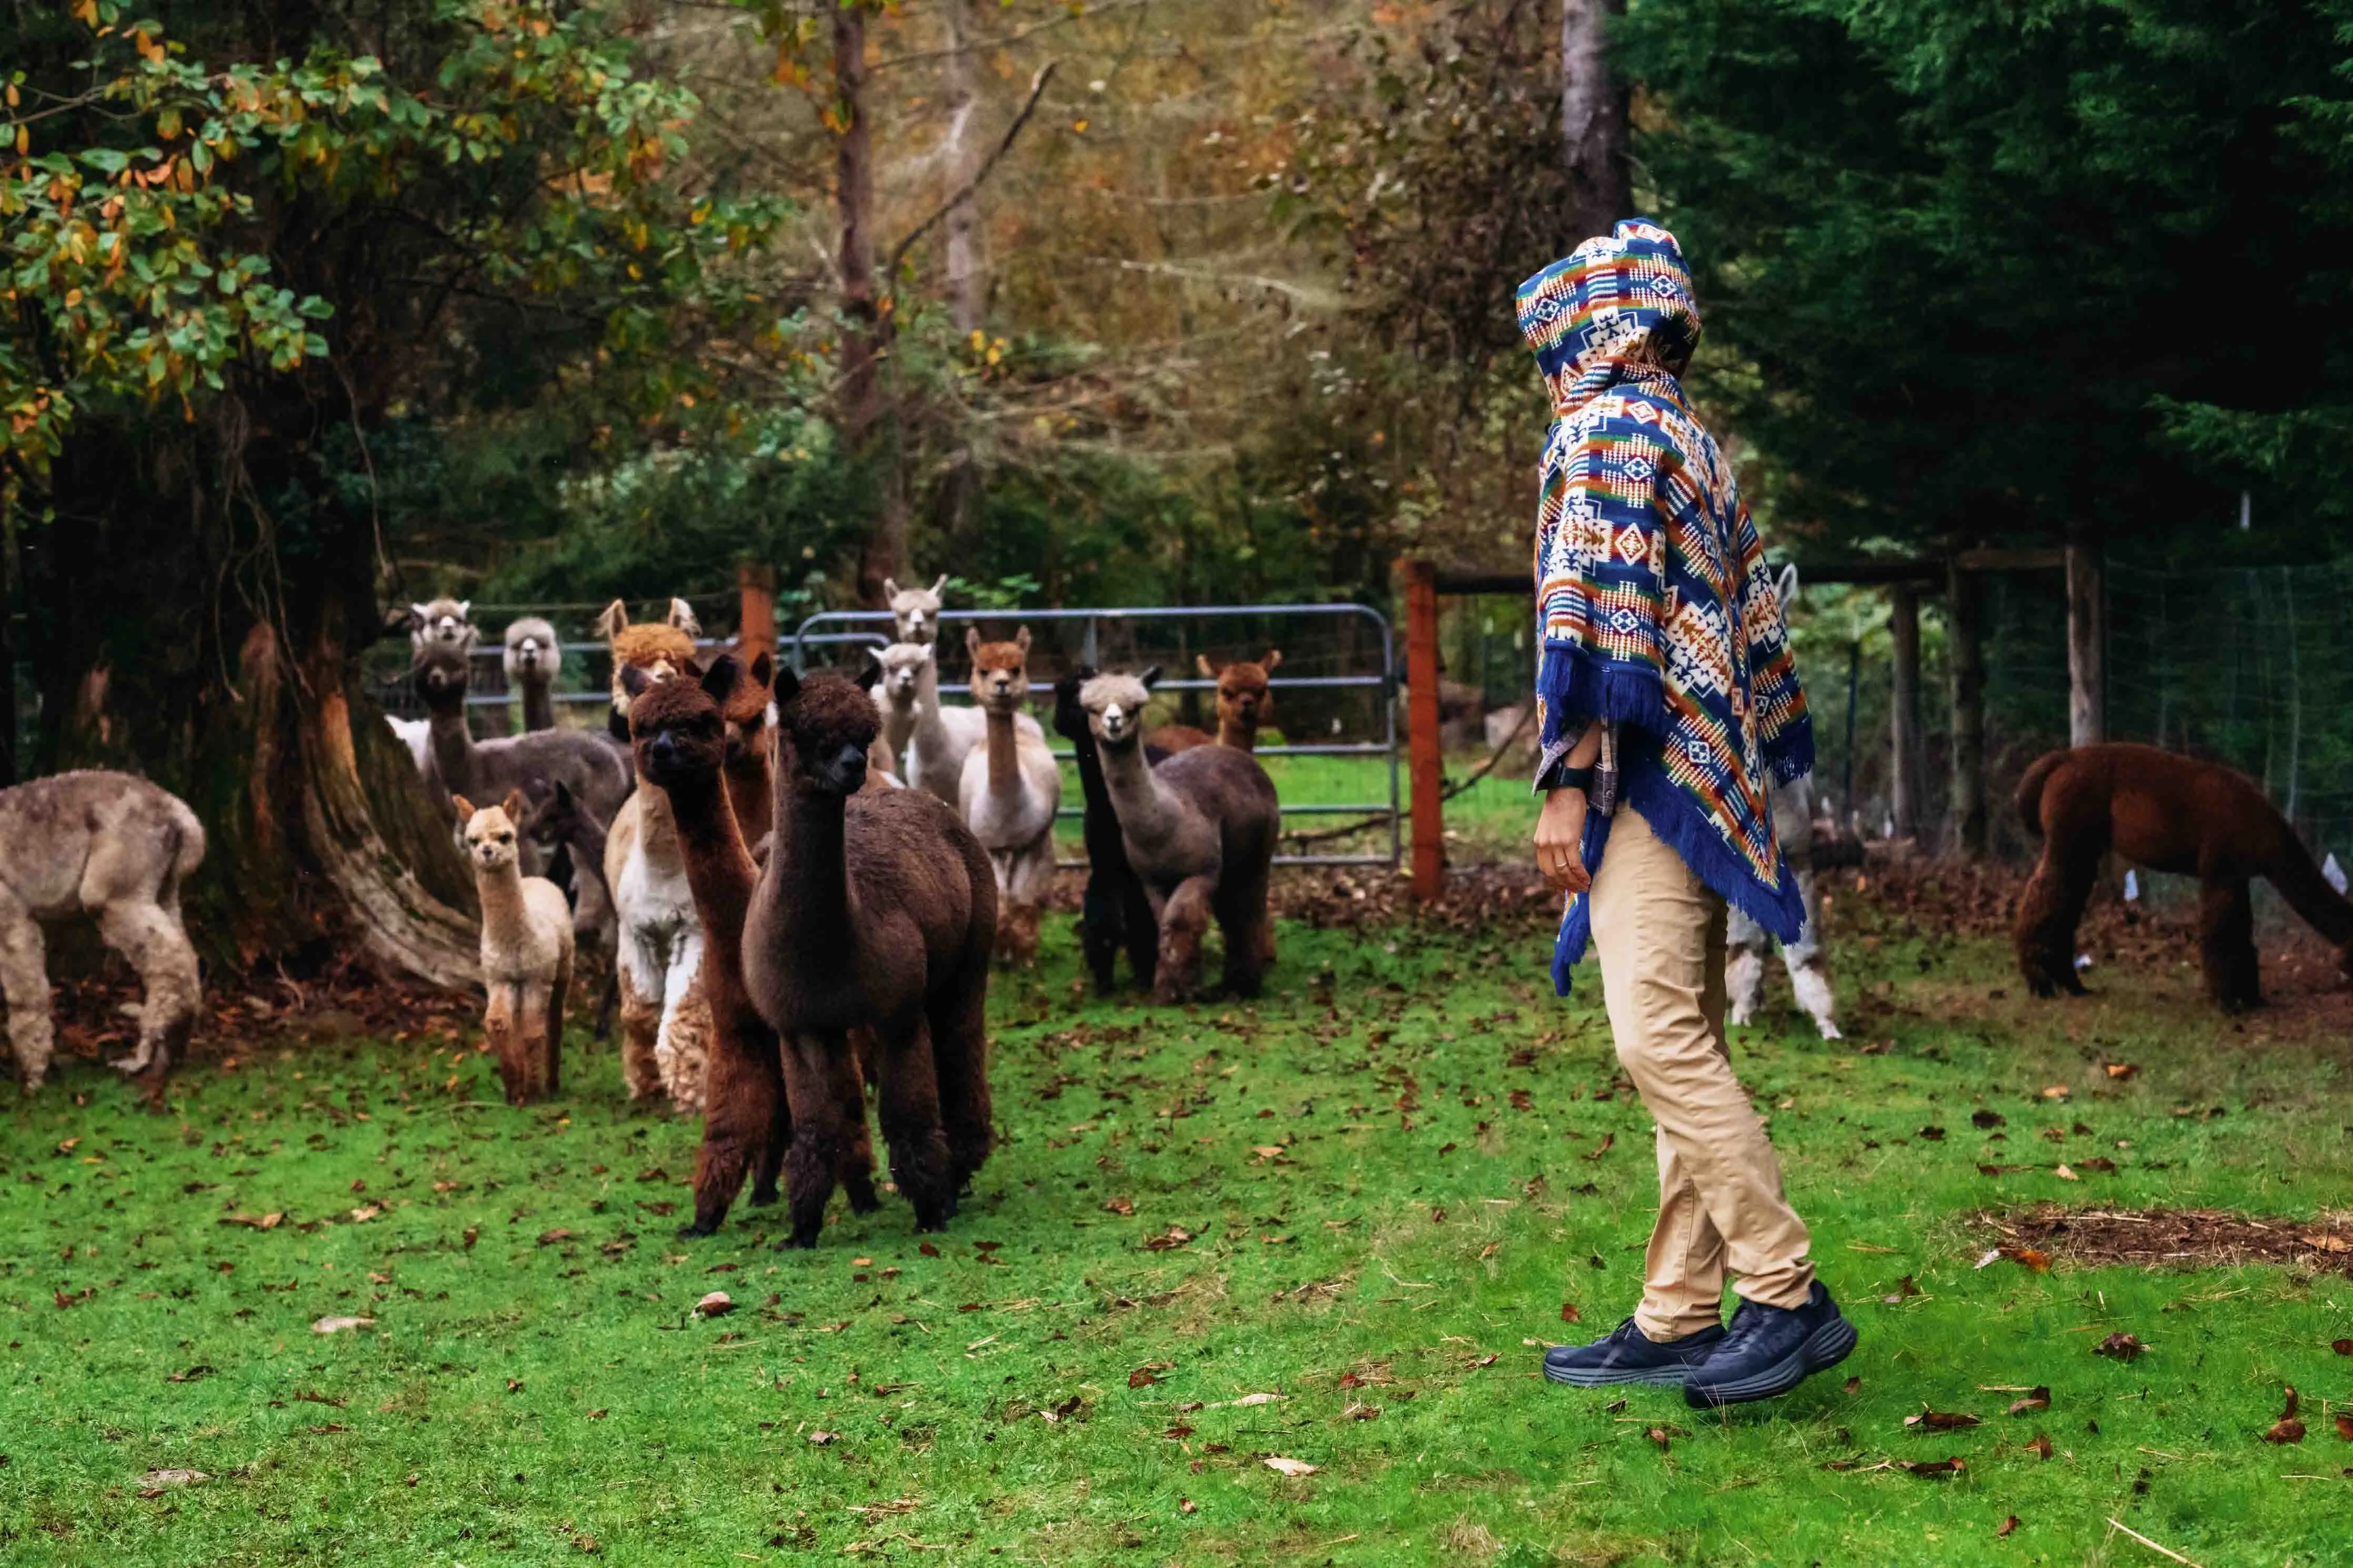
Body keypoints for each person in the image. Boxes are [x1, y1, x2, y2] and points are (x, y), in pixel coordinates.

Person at [1518, 220, 1854, 1408]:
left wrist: (1567, 775)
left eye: (1551, 340)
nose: (1547, 367)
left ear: (1594, 331)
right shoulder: (1685, 435)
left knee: (1653, 1034)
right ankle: (1674, 1312)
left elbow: (1603, 610)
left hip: (1651, 773)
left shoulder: (1604, 428)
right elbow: (1733, 616)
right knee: (1690, 1032)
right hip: (1709, 770)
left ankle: (1784, 1287)